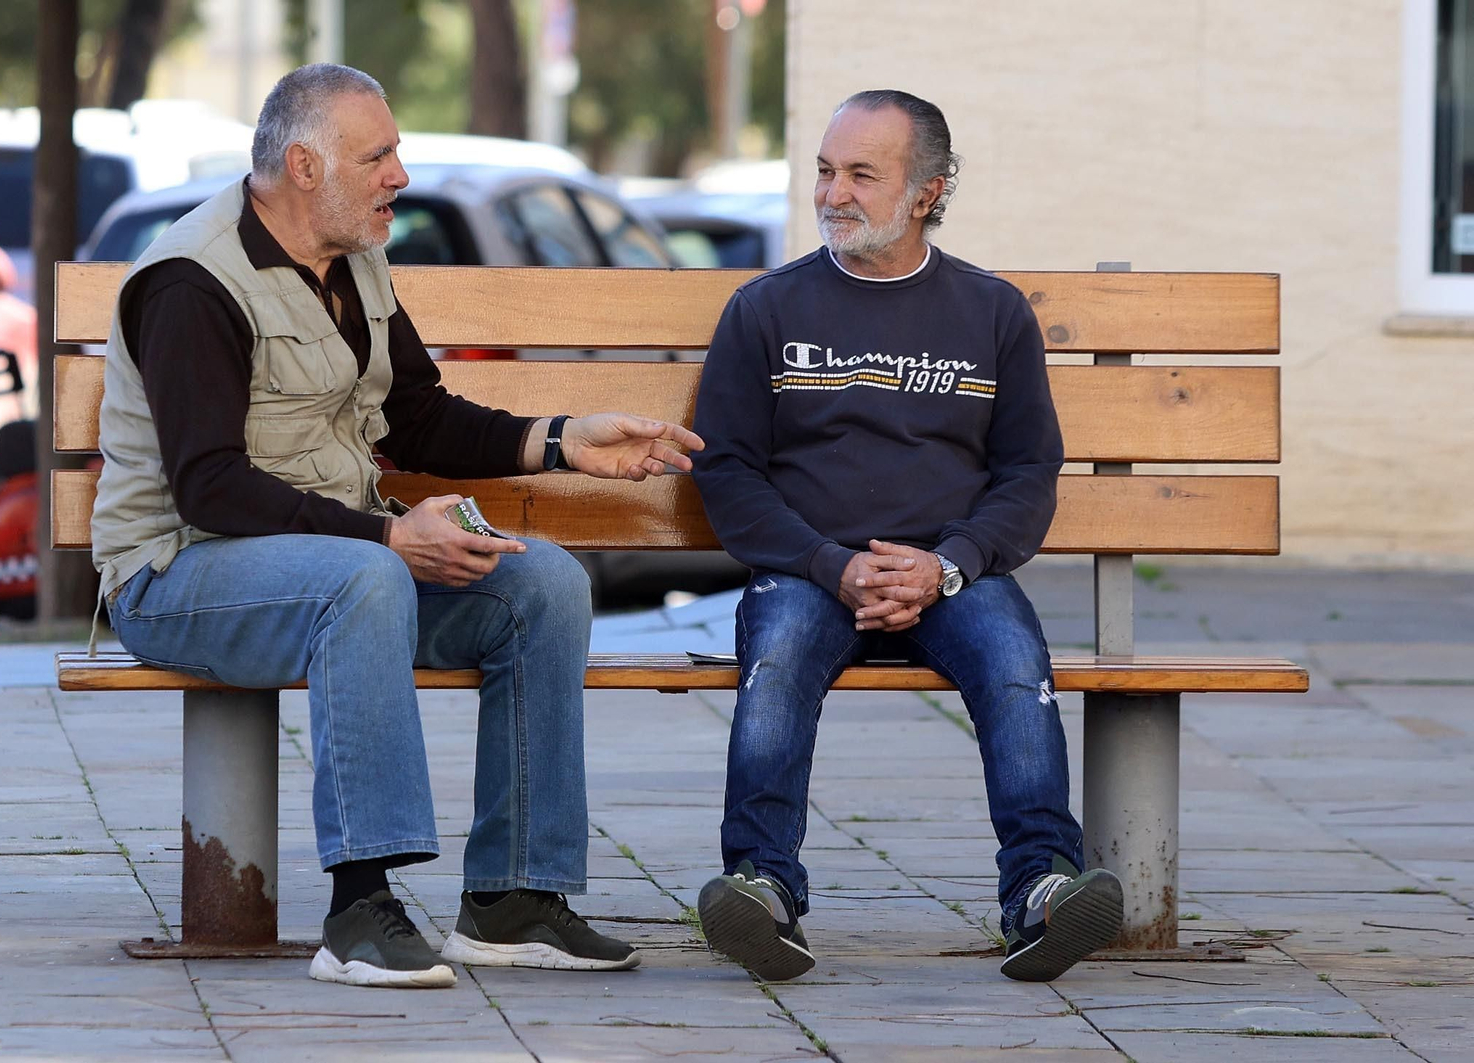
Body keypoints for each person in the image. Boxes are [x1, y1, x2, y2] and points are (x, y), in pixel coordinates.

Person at [90, 63, 702, 989]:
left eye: (396, 153)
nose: (399, 176)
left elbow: (417, 416)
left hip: (325, 570)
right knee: (365, 579)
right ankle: (359, 907)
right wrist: (385, 540)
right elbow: (209, 487)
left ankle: (513, 898)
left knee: (542, 584)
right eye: (377, 156)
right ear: (303, 166)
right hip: (179, 577)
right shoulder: (191, 280)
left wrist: (567, 439)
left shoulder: (353, 256)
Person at [689, 89, 1122, 983]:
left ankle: (1041, 889)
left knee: (1013, 658)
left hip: (952, 567)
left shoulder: (992, 314)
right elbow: (727, 472)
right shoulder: (764, 310)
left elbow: (1028, 474)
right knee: (776, 661)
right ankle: (763, 885)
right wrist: (829, 563)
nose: (833, 192)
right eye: (824, 170)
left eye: (860, 173)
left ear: (929, 189)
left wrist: (949, 563)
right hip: (810, 568)